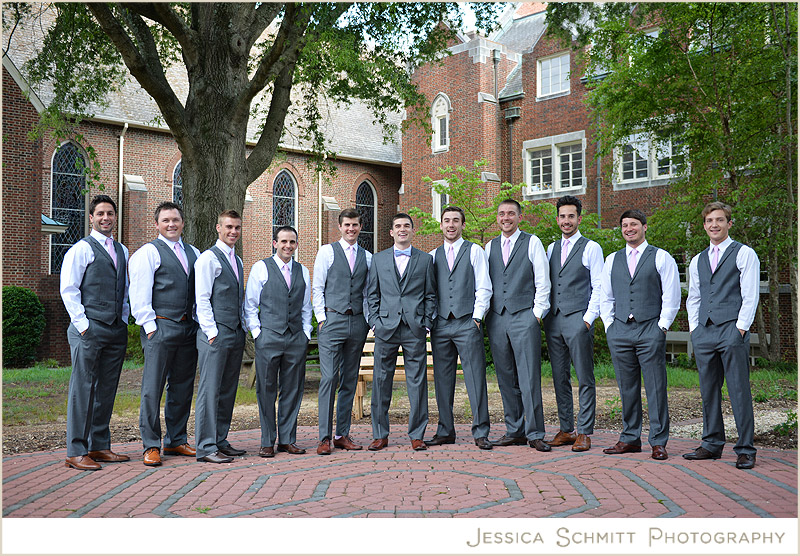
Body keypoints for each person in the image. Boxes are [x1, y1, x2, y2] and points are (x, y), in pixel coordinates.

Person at [683, 202, 760, 470]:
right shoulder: (697, 260)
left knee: (739, 390)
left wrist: (740, 328)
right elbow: (694, 296)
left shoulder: (744, 253)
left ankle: (745, 449)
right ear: (704, 225)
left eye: (719, 220)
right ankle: (712, 444)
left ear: (729, 223)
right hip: (704, 331)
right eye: (709, 221)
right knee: (708, 391)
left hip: (731, 329)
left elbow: (750, 294)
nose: (714, 225)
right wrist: (695, 328)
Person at [600, 209, 680, 461]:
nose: (629, 229)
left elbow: (671, 295)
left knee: (656, 387)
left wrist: (662, 327)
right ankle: (630, 438)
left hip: (650, 329)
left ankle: (658, 441)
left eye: (634, 224)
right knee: (627, 387)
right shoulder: (612, 259)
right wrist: (609, 326)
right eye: (624, 225)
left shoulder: (661, 257)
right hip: (620, 329)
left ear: (645, 227)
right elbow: (606, 296)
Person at [60, 194, 131, 470]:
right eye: (100, 213)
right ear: (91, 218)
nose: (105, 218)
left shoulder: (123, 251)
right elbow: (69, 289)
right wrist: (84, 325)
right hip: (88, 329)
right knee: (83, 389)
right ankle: (76, 450)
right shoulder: (82, 249)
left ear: (115, 217)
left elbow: (123, 291)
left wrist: (122, 319)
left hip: (115, 329)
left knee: (106, 390)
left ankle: (99, 445)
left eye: (110, 213)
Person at [129, 201, 200, 467]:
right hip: (159, 327)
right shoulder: (148, 252)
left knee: (182, 386)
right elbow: (139, 293)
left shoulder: (194, 252)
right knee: (152, 388)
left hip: (187, 328)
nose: (172, 224)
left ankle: (176, 439)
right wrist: (150, 328)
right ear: (157, 224)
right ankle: (150, 445)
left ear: (183, 223)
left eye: (176, 220)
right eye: (166, 220)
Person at [485, 199, 552, 452]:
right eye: (501, 214)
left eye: (511, 214)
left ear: (519, 217)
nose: (506, 218)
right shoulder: (489, 246)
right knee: (505, 377)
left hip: (525, 316)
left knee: (528, 377)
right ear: (497, 217)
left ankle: (535, 432)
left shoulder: (532, 242)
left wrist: (536, 314)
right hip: (497, 318)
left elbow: (543, 282)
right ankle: (515, 430)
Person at [425, 206, 493, 451]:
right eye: (446, 221)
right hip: (441, 325)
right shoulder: (432, 255)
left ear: (463, 225)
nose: (451, 225)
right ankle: (445, 430)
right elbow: (430, 292)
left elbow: (484, 287)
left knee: (476, 378)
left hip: (467, 322)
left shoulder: (475, 251)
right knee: (443, 381)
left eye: (455, 220)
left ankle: (481, 431)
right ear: (441, 225)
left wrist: (476, 318)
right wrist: (431, 320)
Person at [366, 213, 436, 451]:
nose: (402, 229)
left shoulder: (425, 260)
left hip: (414, 328)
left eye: (407, 226)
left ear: (412, 231)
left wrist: (426, 323)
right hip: (385, 327)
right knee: (380, 381)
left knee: (417, 383)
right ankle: (380, 434)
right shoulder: (378, 259)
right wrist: (375, 322)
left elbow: (430, 295)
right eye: (398, 226)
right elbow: (371, 294)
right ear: (391, 232)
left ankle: (417, 434)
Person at [245, 226, 312, 458]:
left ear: (296, 244)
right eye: (283, 241)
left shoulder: (303, 270)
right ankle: (267, 440)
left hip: (295, 338)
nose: (288, 246)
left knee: (292, 390)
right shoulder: (261, 268)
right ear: (275, 243)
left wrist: (305, 333)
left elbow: (306, 307)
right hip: (269, 337)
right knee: (266, 389)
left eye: (292, 242)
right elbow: (250, 305)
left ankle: (287, 439)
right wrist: (257, 333)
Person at [543, 196, 604, 453]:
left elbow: (599, 286)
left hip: (579, 319)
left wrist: (588, 320)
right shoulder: (550, 249)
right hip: (554, 321)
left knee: (585, 377)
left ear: (579, 218)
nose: (566, 221)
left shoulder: (591, 248)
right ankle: (567, 429)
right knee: (559, 377)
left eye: (571, 216)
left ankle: (585, 432)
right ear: (557, 219)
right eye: (562, 216)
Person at [312, 209, 372, 455]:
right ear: (340, 227)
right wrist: (322, 319)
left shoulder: (367, 257)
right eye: (347, 225)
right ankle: (324, 437)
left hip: (357, 323)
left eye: (355, 225)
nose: (351, 229)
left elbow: (368, 294)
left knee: (349, 379)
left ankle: (341, 434)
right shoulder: (327, 252)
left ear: (360, 227)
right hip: (332, 321)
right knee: (329, 378)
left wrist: (368, 321)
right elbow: (317, 287)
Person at [194, 210, 247, 463]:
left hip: (235, 333)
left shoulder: (237, 261)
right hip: (215, 334)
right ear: (218, 227)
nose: (233, 231)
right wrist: (211, 332)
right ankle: (205, 447)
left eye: (237, 227)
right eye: (228, 227)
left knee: (227, 390)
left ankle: (220, 439)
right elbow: (201, 298)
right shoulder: (208, 259)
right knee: (210, 390)